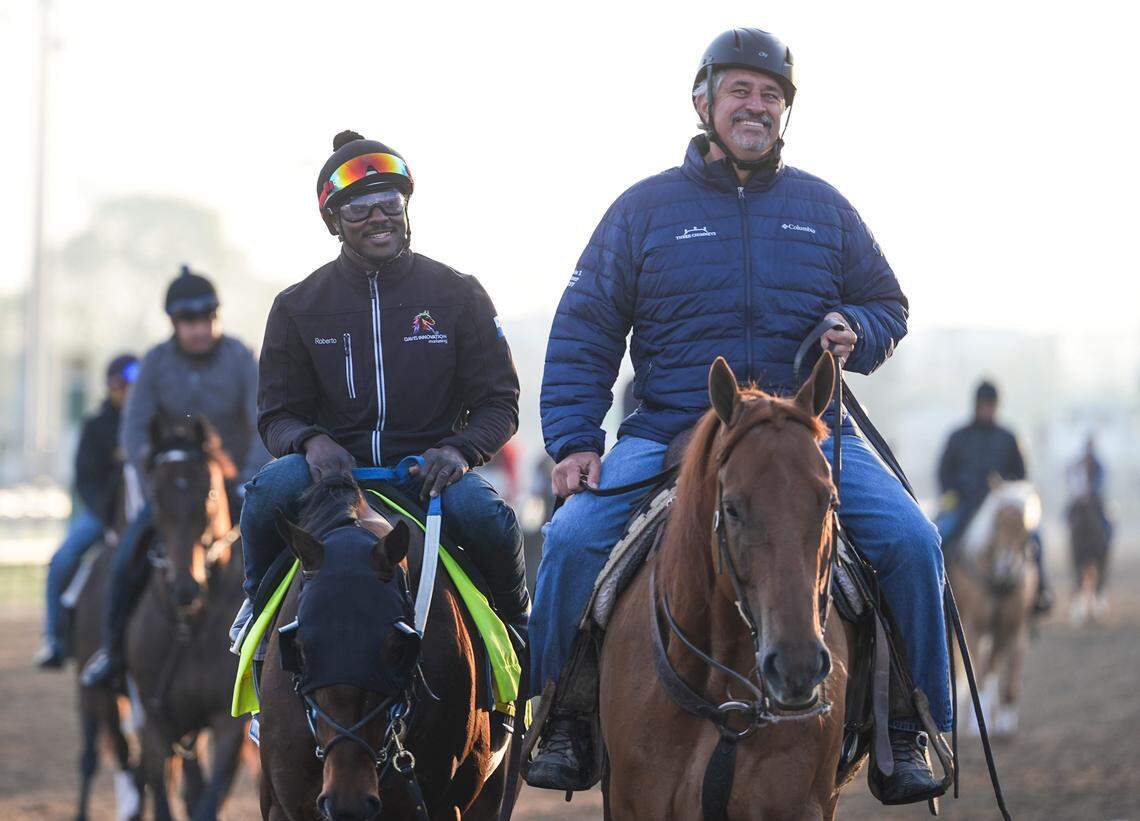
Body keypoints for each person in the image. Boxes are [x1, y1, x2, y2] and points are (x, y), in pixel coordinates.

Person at [527, 28, 950, 804]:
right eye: (740, 91)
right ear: (703, 101)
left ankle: (908, 725)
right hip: (670, 431)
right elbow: (586, 325)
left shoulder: (826, 208)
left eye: (772, 95)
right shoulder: (642, 211)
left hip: (807, 434)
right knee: (568, 541)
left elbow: (888, 304)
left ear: (786, 111)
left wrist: (859, 329)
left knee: (916, 543)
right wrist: (575, 442)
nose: (756, 106)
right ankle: (563, 716)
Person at [230, 131, 528, 650]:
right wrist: (311, 442)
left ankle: (522, 631)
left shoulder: (459, 294)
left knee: (488, 517)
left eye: (389, 202)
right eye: (359, 209)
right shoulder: (296, 305)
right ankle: (256, 617)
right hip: (329, 476)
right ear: (334, 223)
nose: (378, 217)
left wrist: (459, 450)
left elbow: (500, 403)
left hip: (428, 474)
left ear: (406, 207)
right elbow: (276, 414)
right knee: (264, 496)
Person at [81, 267, 268, 687]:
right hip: (173, 493)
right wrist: (157, 483)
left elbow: (264, 424)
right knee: (126, 556)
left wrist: (249, 480)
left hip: (238, 489)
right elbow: (133, 432)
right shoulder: (155, 364)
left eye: (207, 319)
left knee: (280, 554)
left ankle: (277, 656)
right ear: (174, 323)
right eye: (190, 322)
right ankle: (112, 653)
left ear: (217, 317)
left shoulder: (242, 359)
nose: (200, 330)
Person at [35, 354, 138, 669]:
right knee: (63, 558)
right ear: (111, 388)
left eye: (135, 387)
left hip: (146, 511)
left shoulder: (152, 423)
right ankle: (54, 638)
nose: (129, 394)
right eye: (124, 387)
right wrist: (107, 518)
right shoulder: (96, 427)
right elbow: (86, 479)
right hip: (101, 515)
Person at [936, 380, 1052, 611]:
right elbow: (944, 472)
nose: (988, 409)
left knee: (1036, 538)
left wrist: (1006, 491)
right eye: (984, 405)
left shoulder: (1008, 437)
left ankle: (1041, 592)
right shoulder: (958, 437)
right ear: (976, 405)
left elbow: (1021, 475)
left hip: (1003, 508)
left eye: (991, 405)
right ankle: (937, 595)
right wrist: (955, 492)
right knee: (939, 536)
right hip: (965, 504)